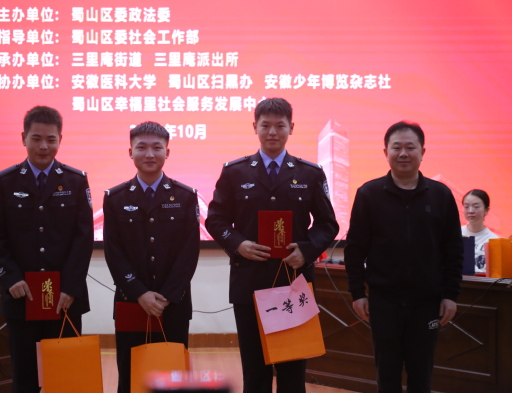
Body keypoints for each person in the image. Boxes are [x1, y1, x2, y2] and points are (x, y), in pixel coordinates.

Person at [205, 98, 339, 393]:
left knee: (292, 371)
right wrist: (238, 244)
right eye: (265, 125)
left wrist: (307, 249)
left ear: (292, 127)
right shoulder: (235, 172)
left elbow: (328, 224)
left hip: (293, 282)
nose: (273, 132)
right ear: (255, 127)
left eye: (280, 126)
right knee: (255, 371)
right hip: (249, 282)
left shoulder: (310, 173)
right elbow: (215, 219)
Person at [344, 121, 464, 393]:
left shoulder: (441, 195)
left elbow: (454, 249)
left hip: (427, 302)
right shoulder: (369, 194)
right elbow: (355, 248)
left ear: (423, 152)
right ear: (385, 152)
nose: (403, 154)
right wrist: (357, 293)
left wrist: (450, 295)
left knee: (421, 376)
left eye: (411, 147)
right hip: (384, 302)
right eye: (396, 147)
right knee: (387, 376)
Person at [0, 105, 94, 393]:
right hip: (22, 296)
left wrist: (70, 287)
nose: (44, 146)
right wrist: (11, 278)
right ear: (23, 138)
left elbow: (83, 239)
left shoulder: (75, 180)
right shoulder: (5, 182)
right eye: (36, 138)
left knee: (66, 379)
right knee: (25, 378)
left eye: (51, 139)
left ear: (60, 140)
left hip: (64, 299)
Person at [103, 121, 200, 393]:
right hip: (131, 301)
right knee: (131, 375)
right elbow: (113, 252)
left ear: (167, 152)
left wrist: (167, 295)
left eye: (157, 148)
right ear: (130, 152)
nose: (149, 154)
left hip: (174, 304)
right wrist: (140, 293)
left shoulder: (185, 196)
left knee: (172, 376)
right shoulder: (115, 197)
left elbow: (189, 252)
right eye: (141, 147)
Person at [461, 189, 499, 274]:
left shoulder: (493, 240)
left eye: (476, 206)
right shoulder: (455, 234)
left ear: (486, 210)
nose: (470, 211)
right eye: (466, 207)